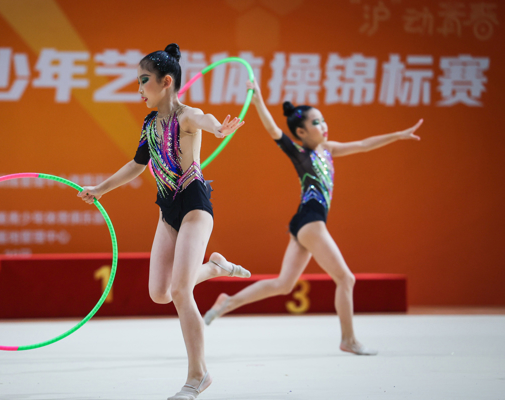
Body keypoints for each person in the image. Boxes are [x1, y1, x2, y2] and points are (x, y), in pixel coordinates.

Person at [78, 43, 250, 400]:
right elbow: (137, 165)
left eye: (144, 81)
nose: (139, 89)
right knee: (160, 292)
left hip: (193, 204)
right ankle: (215, 268)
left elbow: (208, 121)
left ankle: (197, 375)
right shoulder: (149, 124)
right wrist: (100, 189)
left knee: (180, 292)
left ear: (166, 81)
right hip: (167, 208)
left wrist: (219, 129)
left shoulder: (187, 115)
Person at [204, 79, 423, 356]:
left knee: (283, 284)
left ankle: (227, 302)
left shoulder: (329, 150)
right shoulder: (301, 154)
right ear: (301, 131)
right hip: (310, 221)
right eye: (317, 122)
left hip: (304, 223)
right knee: (346, 279)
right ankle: (349, 340)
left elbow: (364, 144)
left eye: (323, 120)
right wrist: (258, 99)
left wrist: (399, 135)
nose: (324, 125)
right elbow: (273, 130)